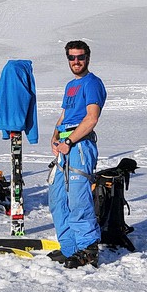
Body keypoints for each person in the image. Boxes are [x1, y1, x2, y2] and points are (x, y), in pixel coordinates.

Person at [49, 40, 107, 269]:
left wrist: (70, 140)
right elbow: (64, 116)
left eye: (80, 57)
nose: (76, 61)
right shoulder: (70, 86)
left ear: (88, 58)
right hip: (64, 144)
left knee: (78, 198)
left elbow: (91, 118)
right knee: (57, 199)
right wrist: (54, 138)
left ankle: (88, 249)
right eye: (72, 57)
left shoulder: (93, 83)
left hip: (79, 145)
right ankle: (69, 248)